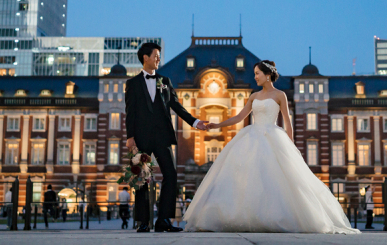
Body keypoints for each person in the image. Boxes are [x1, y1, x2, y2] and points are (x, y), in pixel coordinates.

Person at [182, 61, 360, 233]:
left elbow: (288, 123)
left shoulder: (279, 95)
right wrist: (216, 125)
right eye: (254, 74)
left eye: (258, 74)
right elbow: (238, 118)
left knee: (273, 178)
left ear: (267, 75)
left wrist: (291, 147)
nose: (255, 77)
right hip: (252, 136)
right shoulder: (254, 96)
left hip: (273, 136)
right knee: (250, 177)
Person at [125, 42, 210, 233]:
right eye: (155, 55)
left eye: (159, 55)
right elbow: (130, 112)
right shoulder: (132, 84)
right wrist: (130, 137)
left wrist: (195, 122)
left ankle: (163, 219)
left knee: (170, 175)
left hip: (162, 137)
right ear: (145, 57)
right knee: (142, 177)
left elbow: (177, 107)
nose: (158, 59)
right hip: (141, 138)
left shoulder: (165, 81)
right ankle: (143, 222)